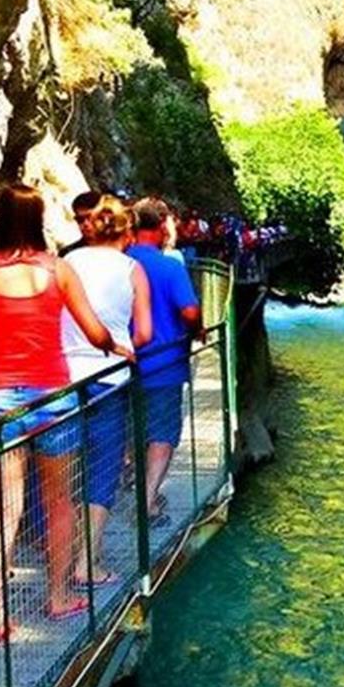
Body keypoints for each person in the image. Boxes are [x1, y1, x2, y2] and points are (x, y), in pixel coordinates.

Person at [0, 183, 121, 641]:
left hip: (0, 400)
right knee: (60, 500)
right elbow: (92, 330)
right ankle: (59, 595)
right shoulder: (58, 269)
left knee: (2, 509)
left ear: (1, 219)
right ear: (38, 220)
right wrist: (117, 348)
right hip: (53, 398)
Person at [60, 196, 152, 584]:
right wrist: (123, 345)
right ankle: (86, 562)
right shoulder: (132, 269)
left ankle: (57, 565)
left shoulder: (65, 263)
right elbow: (144, 334)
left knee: (61, 470)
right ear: (126, 232)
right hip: (111, 377)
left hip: (63, 376)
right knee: (102, 468)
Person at [127, 197, 202, 524]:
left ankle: (138, 487)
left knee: (133, 430)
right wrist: (197, 330)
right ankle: (147, 502)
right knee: (162, 433)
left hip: (121, 365)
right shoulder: (170, 266)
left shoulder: (121, 261)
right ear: (160, 227)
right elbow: (189, 310)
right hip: (164, 362)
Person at [59, 191, 102, 257]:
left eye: (90, 217)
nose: (86, 224)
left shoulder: (120, 249)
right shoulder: (69, 254)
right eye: (80, 220)